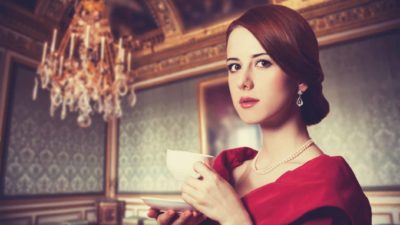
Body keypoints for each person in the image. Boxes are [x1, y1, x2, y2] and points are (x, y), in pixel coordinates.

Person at [147, 4, 372, 225]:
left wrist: (233, 218)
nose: (243, 81)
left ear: (301, 79)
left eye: (263, 63)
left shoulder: (328, 185)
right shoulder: (227, 170)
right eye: (234, 66)